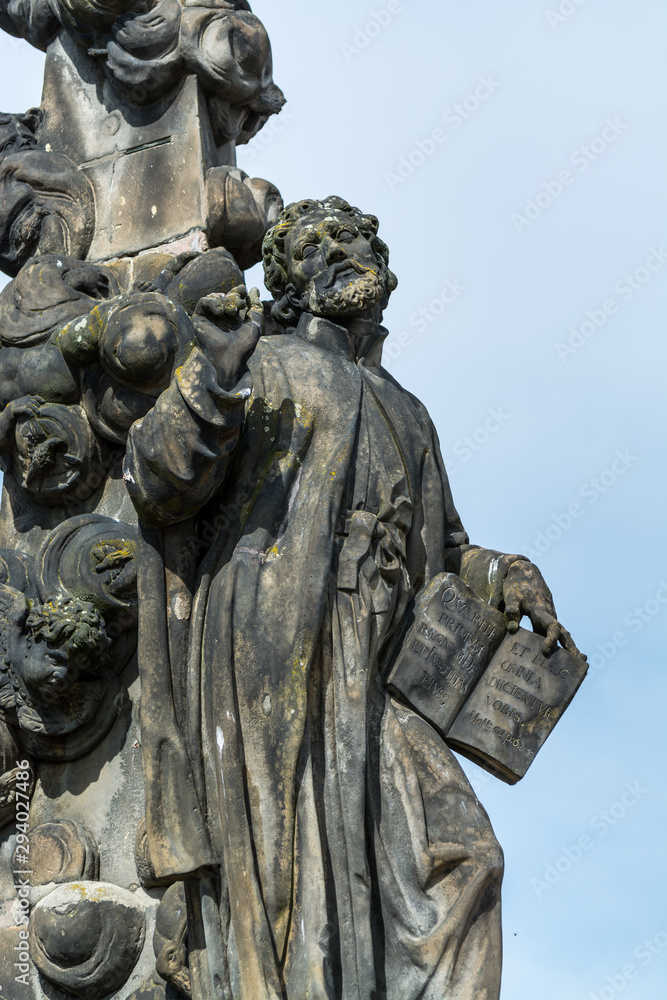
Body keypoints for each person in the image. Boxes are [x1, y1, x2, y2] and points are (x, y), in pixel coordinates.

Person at [124, 196, 579, 1000]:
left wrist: (501, 573)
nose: (342, 253)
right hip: (275, 635)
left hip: (387, 659)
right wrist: (212, 378)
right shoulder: (262, 360)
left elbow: (443, 550)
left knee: (465, 856)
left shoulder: (409, 408)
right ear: (290, 277)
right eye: (318, 245)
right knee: (288, 873)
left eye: (355, 239)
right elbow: (159, 479)